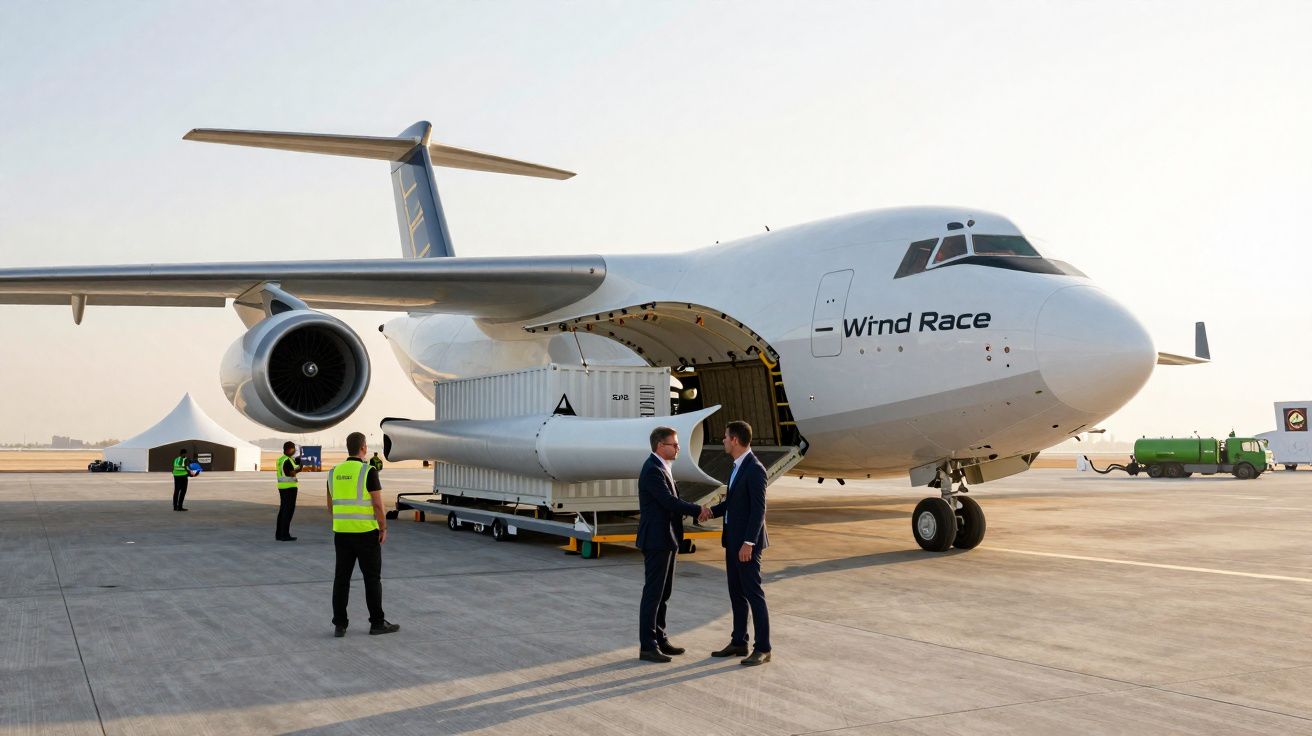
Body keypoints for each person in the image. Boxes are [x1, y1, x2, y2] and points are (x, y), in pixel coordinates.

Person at [635, 426, 710, 663]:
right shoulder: (652, 470)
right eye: (674, 444)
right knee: (653, 594)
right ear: (660, 446)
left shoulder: (663, 467)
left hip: (668, 538)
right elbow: (669, 502)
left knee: (664, 593)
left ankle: (660, 638)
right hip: (657, 540)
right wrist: (699, 510)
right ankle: (648, 646)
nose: (678, 448)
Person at [703, 420, 772, 666]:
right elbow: (733, 504)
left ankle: (763, 648)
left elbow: (758, 510)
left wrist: (748, 543)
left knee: (754, 594)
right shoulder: (736, 467)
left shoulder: (754, 469)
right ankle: (739, 641)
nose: (722, 440)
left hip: (746, 544)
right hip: (732, 541)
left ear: (735, 440)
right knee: (736, 593)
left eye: (725, 437)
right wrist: (711, 512)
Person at [327, 432, 399, 637]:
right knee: (372, 579)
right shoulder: (368, 471)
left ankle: (340, 625)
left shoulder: (333, 472)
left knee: (341, 580)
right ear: (363, 448)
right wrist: (383, 528)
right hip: (366, 533)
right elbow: (377, 504)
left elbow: (330, 507)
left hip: (341, 534)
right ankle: (377, 623)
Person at [275, 441, 302, 541]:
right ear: (289, 449)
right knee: (288, 512)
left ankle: (279, 534)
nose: (294, 451)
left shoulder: (281, 459)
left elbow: (292, 466)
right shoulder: (287, 460)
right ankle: (285, 534)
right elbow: (291, 473)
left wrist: (298, 462)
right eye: (293, 449)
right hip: (289, 488)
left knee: (283, 511)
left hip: (282, 487)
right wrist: (300, 467)